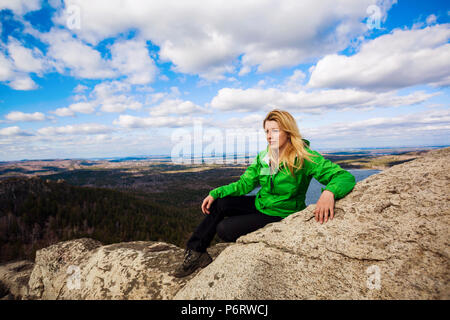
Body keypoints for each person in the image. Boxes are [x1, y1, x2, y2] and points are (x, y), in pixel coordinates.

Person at [173, 109, 356, 278]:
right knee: (220, 203)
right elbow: (245, 184)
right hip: (261, 203)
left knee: (224, 229)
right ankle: (196, 252)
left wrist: (329, 192)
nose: (269, 136)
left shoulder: (303, 157)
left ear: (288, 131)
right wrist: (216, 192)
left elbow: (343, 177)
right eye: (267, 132)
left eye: (275, 131)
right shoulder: (265, 156)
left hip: (280, 213)